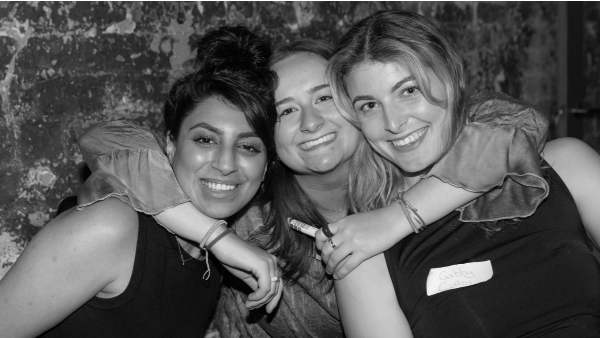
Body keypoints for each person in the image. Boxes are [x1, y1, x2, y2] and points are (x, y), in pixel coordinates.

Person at [74, 36, 549, 337]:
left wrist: (398, 218)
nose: (311, 122)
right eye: (285, 111)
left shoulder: (419, 174)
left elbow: (516, 121)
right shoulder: (250, 225)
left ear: (357, 105)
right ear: (268, 140)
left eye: (324, 97)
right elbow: (108, 142)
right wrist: (218, 238)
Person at [323, 10, 600, 337]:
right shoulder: (363, 252)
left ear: (451, 80)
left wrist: (400, 217)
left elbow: (512, 131)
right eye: (369, 105)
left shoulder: (568, 165)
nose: (394, 122)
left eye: (409, 90)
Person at [0, 26, 283, 337]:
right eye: (205, 139)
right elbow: (102, 137)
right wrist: (218, 238)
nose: (226, 164)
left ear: (266, 167)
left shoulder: (214, 255)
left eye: (248, 147)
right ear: (171, 146)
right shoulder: (114, 225)